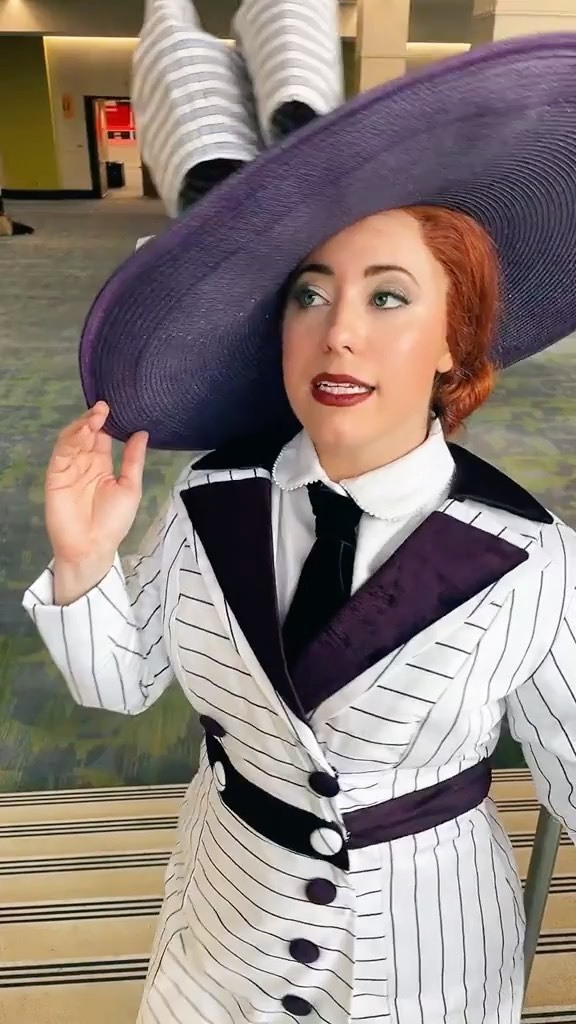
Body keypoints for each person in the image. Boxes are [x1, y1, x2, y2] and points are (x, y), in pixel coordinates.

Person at [22, 4, 576, 1022]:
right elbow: (117, 685)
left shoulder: (533, 558)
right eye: (309, 296)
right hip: (224, 921)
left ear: (455, 339)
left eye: (388, 297)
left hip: (424, 948)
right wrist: (84, 561)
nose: (338, 335)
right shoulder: (209, 501)